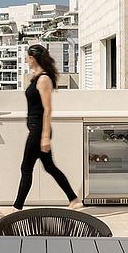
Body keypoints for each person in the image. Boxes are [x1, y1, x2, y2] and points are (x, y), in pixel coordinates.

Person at [13, 44, 84, 211]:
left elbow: (47, 109)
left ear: (33, 58)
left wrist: (45, 137)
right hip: (36, 129)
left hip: (39, 131)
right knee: (50, 167)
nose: (26, 60)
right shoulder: (37, 77)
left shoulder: (43, 79)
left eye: (28, 58)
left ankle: (17, 208)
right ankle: (74, 199)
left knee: (26, 168)